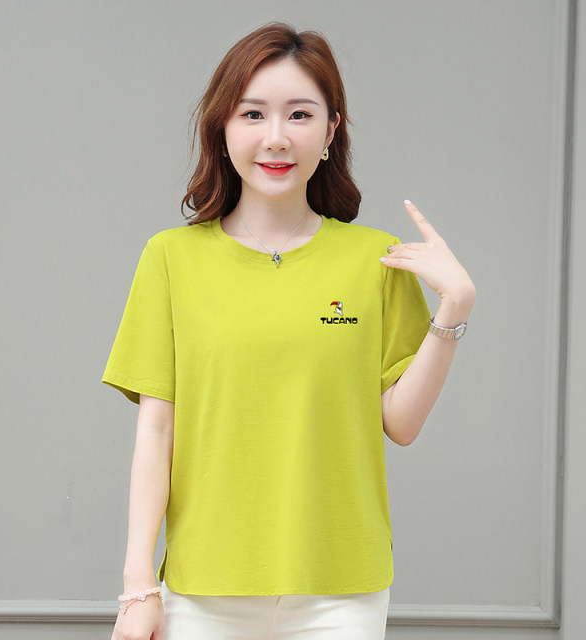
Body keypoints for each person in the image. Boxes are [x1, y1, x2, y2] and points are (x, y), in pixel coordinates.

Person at [102, 21, 475, 640]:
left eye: (300, 115)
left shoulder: (377, 259)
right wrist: (138, 585)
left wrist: (454, 307)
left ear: (330, 131)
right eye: (252, 114)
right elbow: (157, 430)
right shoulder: (170, 258)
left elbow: (401, 424)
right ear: (222, 128)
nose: (276, 137)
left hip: (341, 590)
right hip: (204, 587)